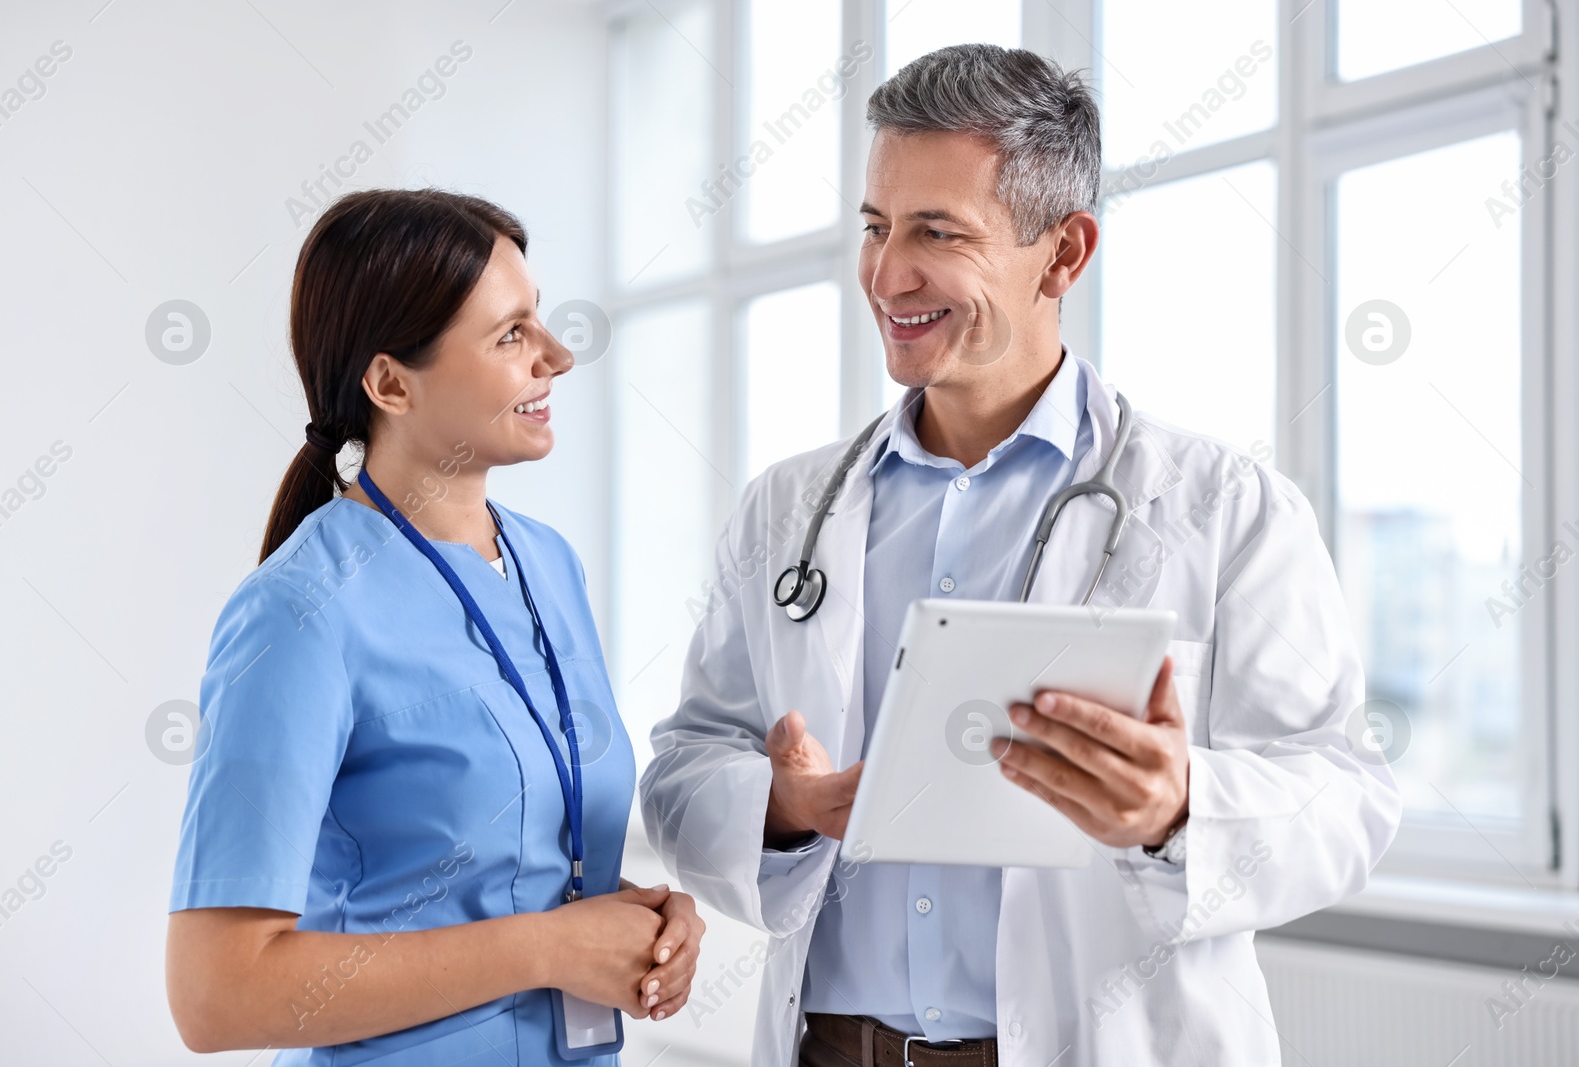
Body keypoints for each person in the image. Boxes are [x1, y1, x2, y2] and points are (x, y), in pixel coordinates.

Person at [639, 44, 1400, 1067]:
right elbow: (686, 762)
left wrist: (1180, 805)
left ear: (1063, 253)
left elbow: (1345, 794)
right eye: (875, 226)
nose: (885, 272)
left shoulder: (1223, 506)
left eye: (935, 233)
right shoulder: (790, 507)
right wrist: (779, 806)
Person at [166, 188, 704, 1067]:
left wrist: (640, 921)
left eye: (543, 323)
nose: (559, 358)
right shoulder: (300, 610)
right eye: (512, 335)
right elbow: (215, 994)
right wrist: (546, 947)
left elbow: (519, 860)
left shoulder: (549, 564)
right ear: (390, 383)